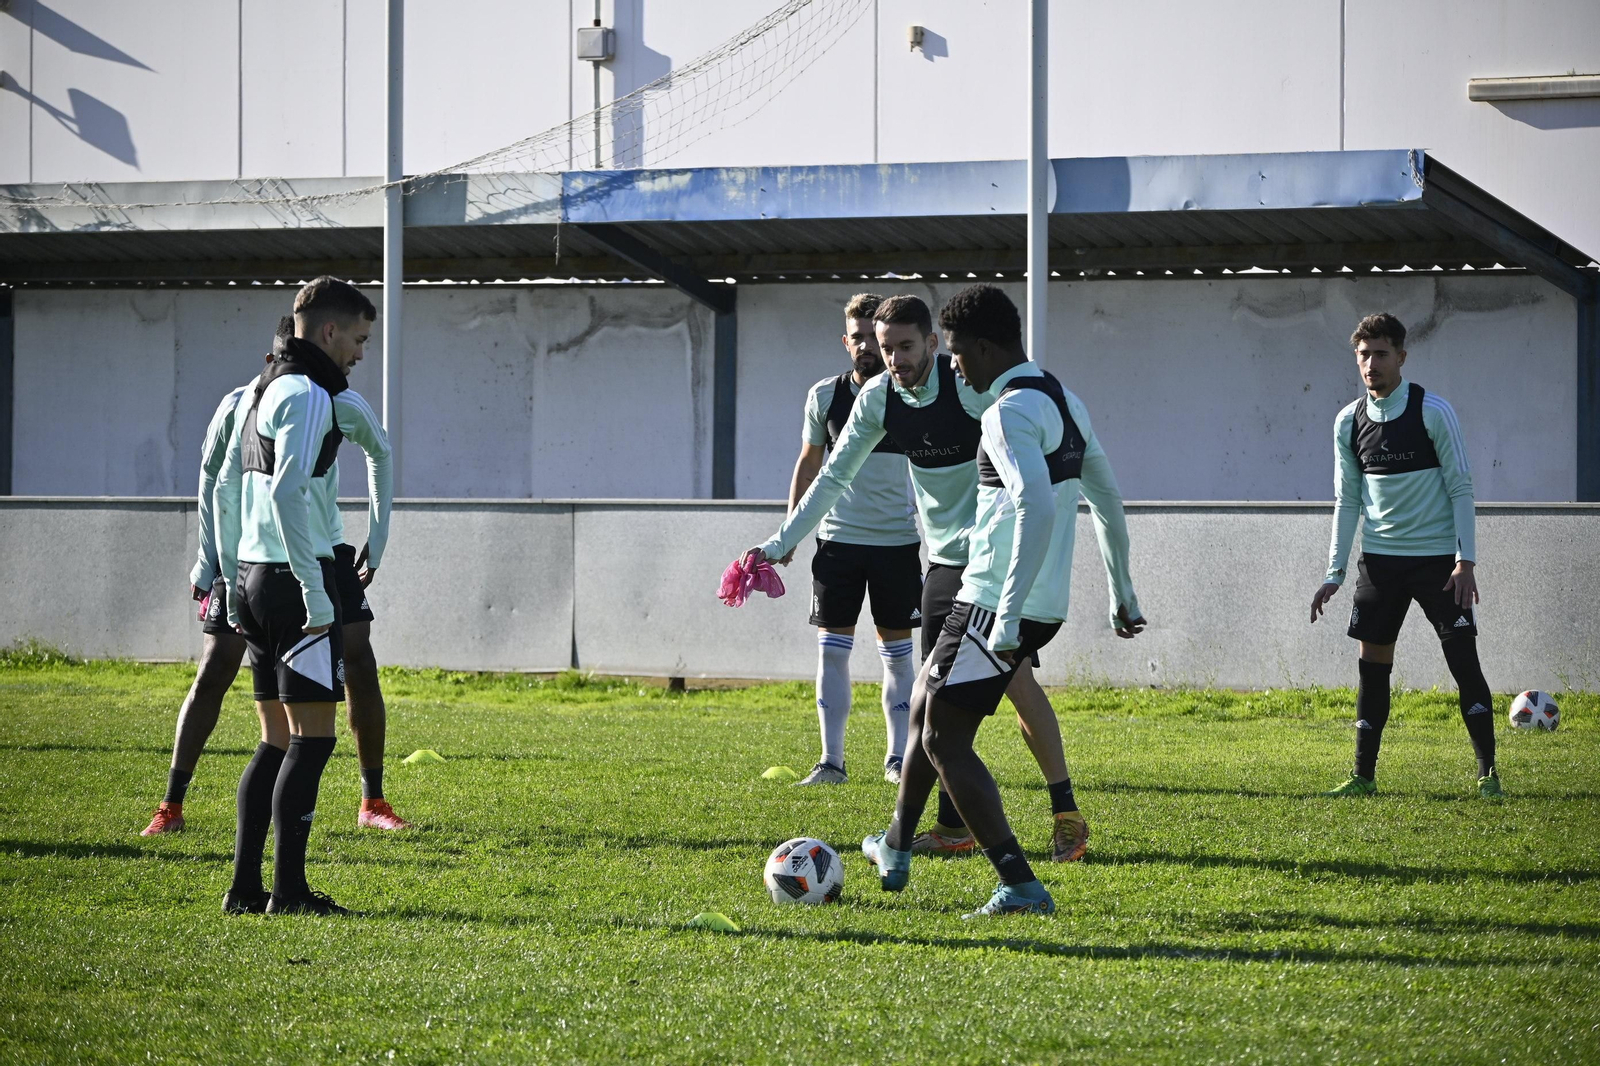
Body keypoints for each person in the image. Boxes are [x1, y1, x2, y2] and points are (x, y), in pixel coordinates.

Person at [754, 293, 1092, 863]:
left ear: (933, 343)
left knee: (998, 690)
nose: (894, 359)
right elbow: (833, 477)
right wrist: (779, 543)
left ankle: (1052, 818)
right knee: (936, 706)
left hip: (988, 565)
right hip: (940, 565)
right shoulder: (876, 400)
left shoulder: (970, 387)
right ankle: (947, 829)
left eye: (905, 346)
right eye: (886, 349)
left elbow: (1033, 427)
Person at [862, 284, 1145, 917]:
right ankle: (897, 845)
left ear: (986, 347)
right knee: (928, 712)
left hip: (994, 600)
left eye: (958, 352)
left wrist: (1008, 612)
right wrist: (1122, 592)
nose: (954, 366)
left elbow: (1035, 502)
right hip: (1038, 604)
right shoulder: (1064, 400)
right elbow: (1107, 498)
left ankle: (1019, 883)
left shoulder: (1006, 412)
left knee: (942, 738)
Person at [140, 317, 408, 835]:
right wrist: (208, 558)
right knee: (217, 668)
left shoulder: (335, 402)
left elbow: (380, 452)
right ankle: (171, 805)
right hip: (251, 561)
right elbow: (212, 473)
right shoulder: (242, 401)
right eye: (355, 342)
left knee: (358, 659)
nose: (357, 354)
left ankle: (372, 800)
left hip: (323, 556)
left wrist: (377, 539)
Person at [213, 277, 376, 916]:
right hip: (291, 582)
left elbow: (222, 487)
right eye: (359, 340)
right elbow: (286, 494)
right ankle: (290, 892)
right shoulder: (307, 394)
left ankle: (246, 888)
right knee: (313, 738)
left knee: (275, 740)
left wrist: (224, 577)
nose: (360, 354)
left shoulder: (257, 388)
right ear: (330, 332)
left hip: (254, 579)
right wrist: (316, 590)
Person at [1310, 312, 1500, 799]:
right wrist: (1334, 572)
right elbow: (1346, 500)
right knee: (1372, 666)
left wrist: (1465, 561)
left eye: (1380, 354)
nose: (1371, 364)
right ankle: (1363, 776)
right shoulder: (1346, 421)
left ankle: (1488, 775)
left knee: (1464, 664)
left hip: (1439, 565)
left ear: (1401, 357)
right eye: (1363, 355)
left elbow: (1460, 487)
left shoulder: (1433, 411)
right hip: (1379, 564)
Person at [784, 293, 920, 786]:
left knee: (899, 656)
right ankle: (831, 762)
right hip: (837, 544)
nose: (866, 346)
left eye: (873, 337)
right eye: (857, 337)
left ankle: (898, 759)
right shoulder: (825, 395)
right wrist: (791, 531)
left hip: (897, 544)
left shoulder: (910, 395)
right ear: (846, 342)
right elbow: (809, 463)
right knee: (832, 651)